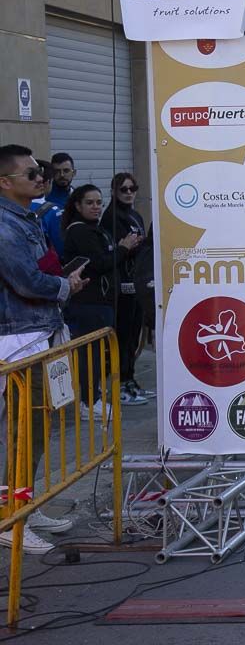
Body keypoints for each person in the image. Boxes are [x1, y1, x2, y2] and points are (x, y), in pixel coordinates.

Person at [0, 145, 88, 553]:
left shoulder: (27, 218)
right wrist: (63, 286)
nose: (42, 179)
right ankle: (9, 520)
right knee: (21, 432)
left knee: (36, 430)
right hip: (21, 341)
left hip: (42, 333)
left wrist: (62, 284)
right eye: (32, 174)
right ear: (5, 182)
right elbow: (26, 281)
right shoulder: (5, 225)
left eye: (42, 172)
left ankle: (24, 505)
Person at [61, 183, 145, 413]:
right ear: (77, 205)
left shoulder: (95, 229)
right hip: (88, 303)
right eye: (89, 203)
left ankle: (94, 395)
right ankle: (88, 401)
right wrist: (123, 248)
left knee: (100, 352)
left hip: (103, 301)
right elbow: (98, 263)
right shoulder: (79, 231)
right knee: (91, 354)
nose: (96, 207)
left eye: (99, 202)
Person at [100, 173, 153, 401]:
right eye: (124, 189)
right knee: (122, 336)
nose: (129, 192)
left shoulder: (135, 215)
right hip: (121, 284)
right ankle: (120, 384)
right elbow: (118, 250)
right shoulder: (112, 217)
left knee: (133, 336)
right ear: (113, 191)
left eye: (133, 188)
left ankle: (130, 379)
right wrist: (129, 246)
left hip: (137, 281)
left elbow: (139, 246)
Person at [41, 152, 75, 257]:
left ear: (74, 173)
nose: (62, 175)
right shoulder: (44, 198)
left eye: (66, 171)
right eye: (57, 171)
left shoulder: (77, 195)